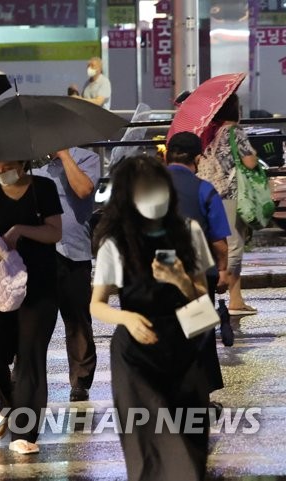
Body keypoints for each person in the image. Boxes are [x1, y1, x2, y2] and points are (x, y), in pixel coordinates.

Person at [90, 155, 212, 481]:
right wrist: (126, 318)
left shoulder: (189, 231)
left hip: (185, 348)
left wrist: (181, 281)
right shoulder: (114, 243)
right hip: (136, 357)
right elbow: (97, 304)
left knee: (189, 447)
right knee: (148, 449)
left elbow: (202, 295)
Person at [0, 160, 63, 455]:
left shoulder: (43, 189)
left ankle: (25, 433)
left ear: (22, 163)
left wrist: (21, 229)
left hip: (40, 285)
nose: (0, 167)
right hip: (1, 288)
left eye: (7, 162)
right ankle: (8, 405)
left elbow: (54, 232)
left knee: (30, 357)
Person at [165, 132, 233, 406]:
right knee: (199, 336)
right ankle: (198, 400)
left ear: (168, 155)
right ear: (197, 158)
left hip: (156, 273)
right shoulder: (204, 190)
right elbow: (219, 242)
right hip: (196, 276)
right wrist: (224, 271)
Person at [32, 148, 100, 402]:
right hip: (39, 250)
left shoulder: (85, 158)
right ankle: (26, 373)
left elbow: (83, 190)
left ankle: (80, 381)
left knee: (77, 320)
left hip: (74, 251)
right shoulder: (32, 161)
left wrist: (64, 155)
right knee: (35, 319)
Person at [196, 93, 261, 316]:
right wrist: (254, 153)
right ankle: (225, 290)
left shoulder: (211, 132)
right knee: (234, 245)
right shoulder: (235, 131)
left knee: (219, 243)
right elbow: (249, 162)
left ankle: (236, 297)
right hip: (231, 194)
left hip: (211, 192)